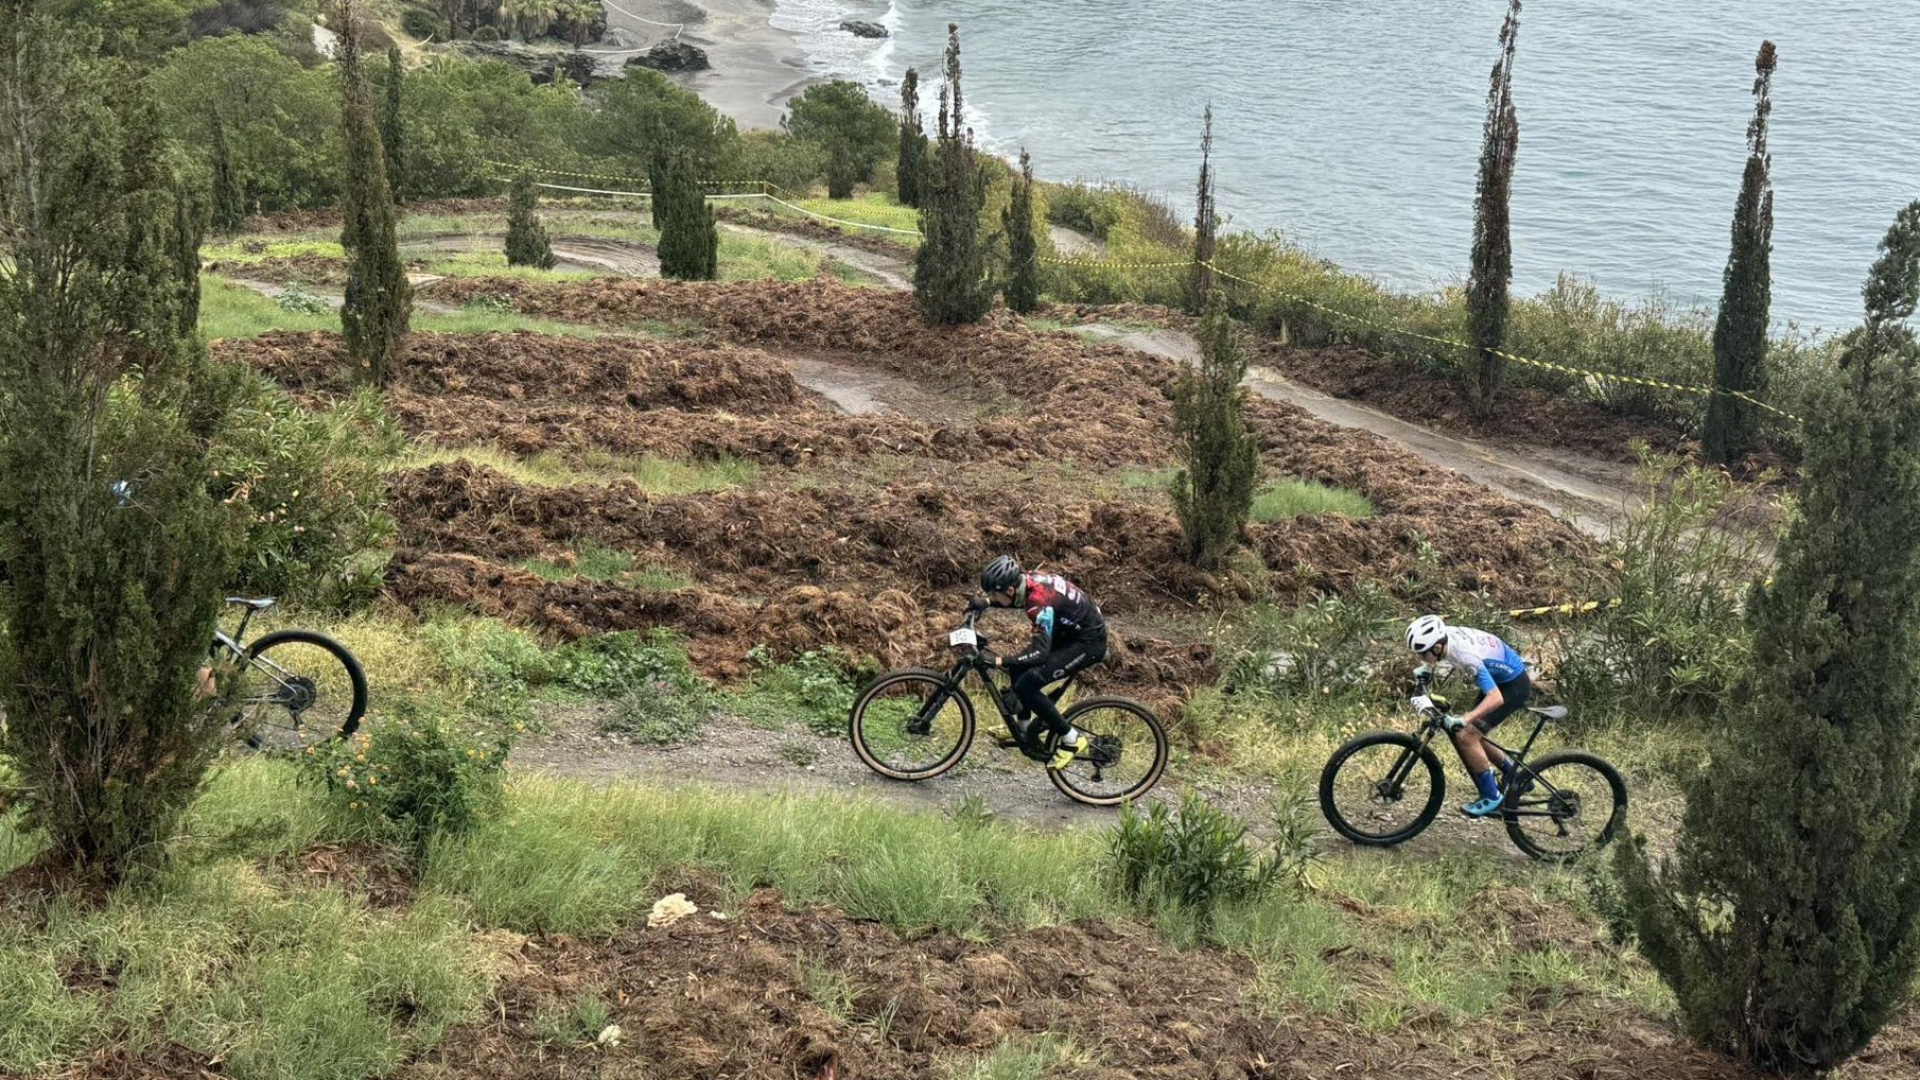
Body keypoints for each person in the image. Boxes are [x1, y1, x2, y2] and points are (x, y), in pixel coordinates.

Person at [977, 555, 1109, 770]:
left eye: (994, 594)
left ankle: (1072, 738)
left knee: (1028, 683)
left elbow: (1039, 653)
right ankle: (1024, 728)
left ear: (1009, 590)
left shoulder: (1039, 602)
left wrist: (1000, 660)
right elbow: (1016, 601)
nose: (993, 597)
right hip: (1071, 633)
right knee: (1019, 669)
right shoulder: (1028, 582)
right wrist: (986, 602)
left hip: (1087, 643)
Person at [1405, 614, 1530, 817]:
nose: (1420, 658)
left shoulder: (1466, 657)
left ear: (1436, 647)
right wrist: (1425, 669)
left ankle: (1491, 797)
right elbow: (1439, 659)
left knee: (1467, 735)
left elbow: (1496, 698)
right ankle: (1517, 777)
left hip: (1511, 687)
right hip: (1502, 679)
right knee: (1475, 733)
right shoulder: (1444, 639)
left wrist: (1464, 719)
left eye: (1422, 654)